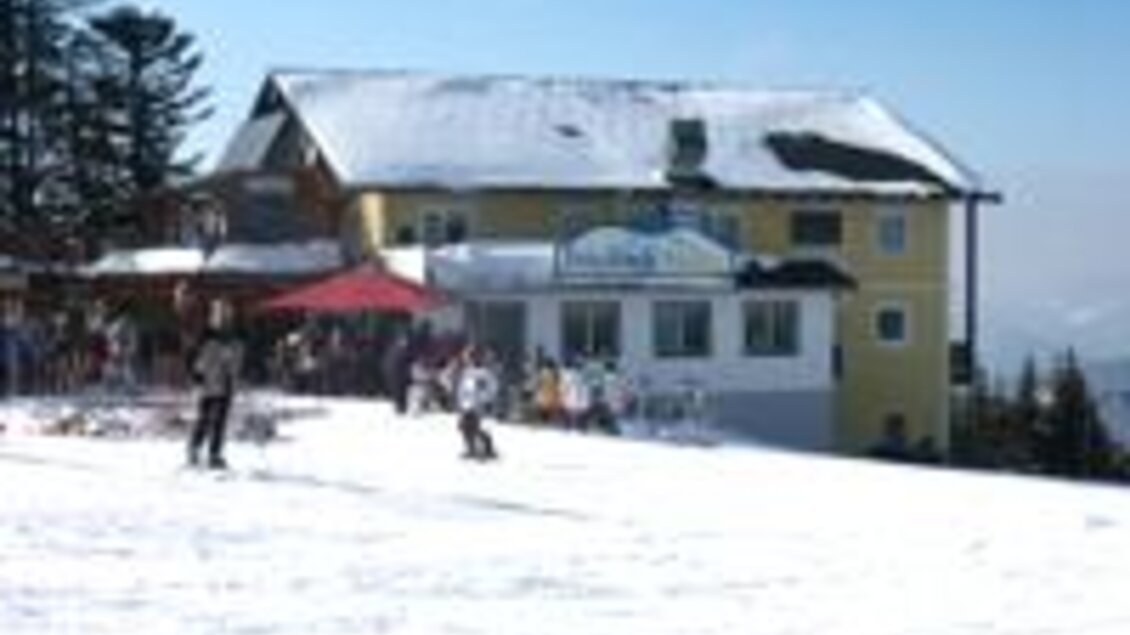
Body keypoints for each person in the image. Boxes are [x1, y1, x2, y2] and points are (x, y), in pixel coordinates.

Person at [187, 300, 244, 469]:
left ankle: (215, 454)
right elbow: (193, 356)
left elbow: (237, 357)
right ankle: (194, 448)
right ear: (214, 315)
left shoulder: (233, 335)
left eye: (227, 314)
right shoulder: (205, 334)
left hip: (226, 383)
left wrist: (235, 372)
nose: (224, 317)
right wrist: (196, 376)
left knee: (220, 421)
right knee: (204, 418)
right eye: (220, 314)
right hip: (208, 382)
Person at [455, 346, 498, 460]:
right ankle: (472, 448)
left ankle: (486, 448)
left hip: (478, 404)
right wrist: (460, 402)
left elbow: (491, 388)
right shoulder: (467, 372)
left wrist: (486, 399)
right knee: (466, 427)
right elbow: (462, 389)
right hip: (467, 404)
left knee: (472, 427)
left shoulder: (485, 373)